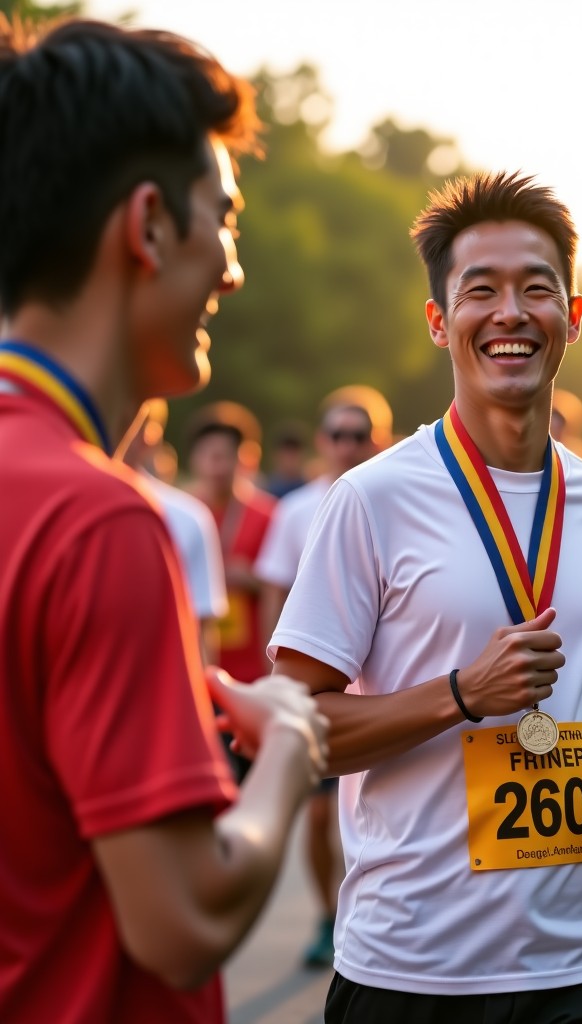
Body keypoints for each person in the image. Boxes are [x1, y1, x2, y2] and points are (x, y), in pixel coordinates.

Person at [270, 171, 582, 1023]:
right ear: (439, 321)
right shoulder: (370, 500)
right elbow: (299, 729)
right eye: (481, 291)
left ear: (571, 317)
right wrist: (462, 695)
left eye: (536, 288)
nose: (510, 313)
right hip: (413, 969)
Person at [0, 18, 327, 1024]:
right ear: (146, 227)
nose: (231, 267)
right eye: (220, 218)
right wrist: (287, 744)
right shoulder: (101, 520)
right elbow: (182, 919)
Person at [256, 383, 394, 968]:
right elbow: (274, 590)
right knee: (316, 815)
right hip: (321, 685)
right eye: (337, 435)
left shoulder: (395, 499)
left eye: (358, 435)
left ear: (377, 439)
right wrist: (277, 678)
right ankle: (326, 913)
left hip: (383, 692)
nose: (347, 445)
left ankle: (372, 912)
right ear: (321, 441)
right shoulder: (293, 512)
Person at [120, 398, 228, 664]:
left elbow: (202, 627)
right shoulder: (60, 505)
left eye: (131, 420)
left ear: (153, 436)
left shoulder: (188, 517)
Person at [186, 401, 277, 686]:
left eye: (225, 456)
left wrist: (251, 579)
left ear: (244, 458)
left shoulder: (269, 515)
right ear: (194, 459)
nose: (217, 465)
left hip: (255, 666)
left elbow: (286, 586)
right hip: (196, 662)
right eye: (209, 455)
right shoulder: (183, 514)